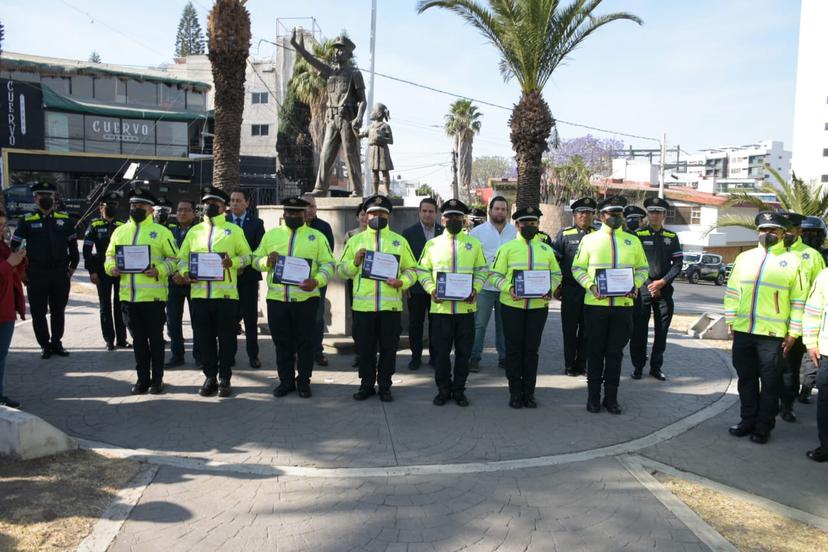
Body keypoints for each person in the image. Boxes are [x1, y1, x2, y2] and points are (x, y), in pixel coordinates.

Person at [724, 211, 806, 444]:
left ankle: (763, 426)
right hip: (743, 330)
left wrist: (794, 333)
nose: (767, 234)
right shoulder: (744, 258)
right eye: (763, 230)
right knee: (746, 379)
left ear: (782, 233)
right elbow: (732, 291)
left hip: (772, 335)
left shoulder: (793, 262)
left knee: (770, 383)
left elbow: (798, 301)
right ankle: (747, 420)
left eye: (772, 230)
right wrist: (731, 320)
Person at [572, 195, 649, 415]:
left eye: (619, 214)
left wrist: (636, 284)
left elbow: (643, 268)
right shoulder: (590, 240)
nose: (615, 217)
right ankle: (593, 398)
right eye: (611, 214)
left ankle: (612, 398)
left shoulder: (632, 241)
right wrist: (590, 286)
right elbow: (577, 268)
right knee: (595, 352)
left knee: (615, 353)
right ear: (602, 216)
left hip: (623, 306)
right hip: (596, 304)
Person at [337, 194, 418, 402]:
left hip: (389, 308)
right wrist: (354, 262)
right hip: (363, 308)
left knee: (389, 350)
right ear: (366, 215)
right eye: (373, 213)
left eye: (382, 213)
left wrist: (403, 282)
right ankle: (366, 385)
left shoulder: (399, 242)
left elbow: (412, 270)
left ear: (388, 216)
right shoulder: (355, 241)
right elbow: (342, 271)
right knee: (365, 350)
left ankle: (385, 386)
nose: (377, 216)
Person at [252, 197, 335, 398]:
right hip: (278, 300)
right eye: (290, 213)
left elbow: (329, 265)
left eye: (297, 213)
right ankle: (286, 381)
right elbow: (254, 260)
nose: (293, 216)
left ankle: (304, 381)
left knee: (305, 343)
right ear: (284, 214)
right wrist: (266, 261)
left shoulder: (316, 236)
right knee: (282, 343)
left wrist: (317, 281)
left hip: (306, 299)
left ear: (304, 214)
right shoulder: (271, 236)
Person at [177, 186, 253, 398]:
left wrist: (234, 262)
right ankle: (209, 376)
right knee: (204, 338)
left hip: (226, 297)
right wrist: (185, 272)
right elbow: (182, 259)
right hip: (200, 295)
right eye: (207, 203)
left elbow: (249, 257)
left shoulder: (234, 231)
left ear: (223, 207)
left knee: (227, 339)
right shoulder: (194, 231)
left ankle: (225, 377)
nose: (210, 207)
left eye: (215, 204)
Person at [104, 187, 179, 395]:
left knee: (155, 340)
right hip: (128, 298)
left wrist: (159, 270)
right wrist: (112, 268)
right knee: (138, 342)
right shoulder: (120, 231)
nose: (136, 208)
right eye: (134, 205)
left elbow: (176, 260)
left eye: (141, 205)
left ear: (150, 208)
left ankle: (157, 380)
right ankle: (142, 379)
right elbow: (109, 256)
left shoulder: (162, 232)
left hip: (153, 298)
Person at [489, 206, 562, 408]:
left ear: (538, 225)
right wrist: (509, 287)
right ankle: (514, 392)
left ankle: (529, 393)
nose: (529, 226)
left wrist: (550, 287)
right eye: (524, 223)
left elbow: (556, 275)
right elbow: (494, 276)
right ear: (517, 225)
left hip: (538, 308)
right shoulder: (507, 249)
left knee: (531, 350)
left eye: (533, 223)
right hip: (512, 306)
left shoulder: (546, 250)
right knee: (513, 350)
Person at [418, 199, 488, 407]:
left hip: (466, 309)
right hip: (440, 310)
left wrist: (475, 288)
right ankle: (443, 389)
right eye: (450, 216)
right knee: (440, 354)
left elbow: (482, 270)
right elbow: (422, 271)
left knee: (463, 353)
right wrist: (431, 289)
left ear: (463, 220)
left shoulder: (474, 244)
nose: (454, 220)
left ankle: (459, 390)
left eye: (458, 217)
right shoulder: (432, 245)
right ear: (443, 219)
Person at [290, 30, 366, 196]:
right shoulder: (330, 72)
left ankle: (357, 190)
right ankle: (320, 189)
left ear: (348, 53)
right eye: (335, 49)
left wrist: (359, 117)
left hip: (347, 118)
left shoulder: (355, 74)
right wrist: (298, 48)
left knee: (351, 155)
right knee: (325, 155)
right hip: (331, 119)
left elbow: (363, 101)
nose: (336, 52)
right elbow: (312, 60)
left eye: (340, 49)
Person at [11, 182, 79, 359]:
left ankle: (57, 342)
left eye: (49, 195)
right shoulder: (26, 220)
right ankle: (45, 345)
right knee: (38, 312)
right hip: (36, 274)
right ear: (35, 198)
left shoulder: (64, 220)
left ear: (55, 198)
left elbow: (73, 246)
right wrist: (22, 273)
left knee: (58, 310)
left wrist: (72, 268)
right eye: (41, 196)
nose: (46, 199)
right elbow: (15, 246)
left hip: (60, 273)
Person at [777, 212, 825, 422]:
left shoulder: (813, 257)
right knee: (768, 368)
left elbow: (819, 294)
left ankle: (787, 405)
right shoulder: (770, 252)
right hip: (768, 323)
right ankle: (767, 404)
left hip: (797, 324)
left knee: (790, 368)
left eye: (791, 229)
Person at [630, 197, 684, 381]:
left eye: (658, 212)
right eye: (652, 211)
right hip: (643, 289)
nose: (655, 215)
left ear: (663, 215)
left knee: (662, 331)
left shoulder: (671, 237)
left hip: (664, 290)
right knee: (639, 331)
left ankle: (656, 367)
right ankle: (638, 367)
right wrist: (647, 284)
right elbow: (633, 264)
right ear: (647, 214)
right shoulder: (637, 235)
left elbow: (678, 264)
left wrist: (662, 282)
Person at [469, 196, 517, 372]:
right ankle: (474, 358)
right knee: (479, 325)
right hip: (484, 288)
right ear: (490, 210)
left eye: (503, 209)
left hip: (506, 288)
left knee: (504, 326)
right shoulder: (477, 232)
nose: (500, 212)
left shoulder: (514, 232)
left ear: (507, 212)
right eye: (497, 209)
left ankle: (504, 358)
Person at [553, 197, 597, 377]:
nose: (584, 215)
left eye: (588, 212)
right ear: (574, 214)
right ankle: (569, 364)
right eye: (580, 212)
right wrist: (557, 285)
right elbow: (556, 261)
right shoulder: (564, 234)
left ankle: (582, 363)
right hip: (570, 289)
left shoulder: (597, 235)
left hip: (592, 290)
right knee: (569, 329)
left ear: (593, 215)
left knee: (588, 330)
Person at [83, 191, 129, 351]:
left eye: (114, 205)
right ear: (100, 207)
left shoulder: (122, 226)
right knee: (105, 305)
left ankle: (122, 339)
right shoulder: (94, 225)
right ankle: (109, 339)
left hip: (120, 271)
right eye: (108, 205)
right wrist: (91, 271)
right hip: (101, 270)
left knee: (120, 305)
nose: (111, 207)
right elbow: (87, 251)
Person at [402, 197, 444, 370]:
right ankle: (416, 357)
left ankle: (435, 358)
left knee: (437, 324)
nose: (427, 214)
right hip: (416, 287)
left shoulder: (443, 232)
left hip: (438, 288)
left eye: (431, 211)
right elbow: (405, 262)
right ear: (419, 212)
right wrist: (406, 286)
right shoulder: (409, 233)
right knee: (415, 324)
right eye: (424, 211)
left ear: (436, 213)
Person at [228, 189, 265, 369]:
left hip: (248, 279)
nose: (234, 203)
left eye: (238, 200)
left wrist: (244, 266)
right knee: (230, 320)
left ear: (247, 203)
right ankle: (230, 355)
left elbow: (259, 250)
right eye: (232, 200)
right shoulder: (224, 223)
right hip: (228, 279)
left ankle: (253, 355)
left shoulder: (257, 224)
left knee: (250, 320)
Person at [165, 199, 201, 368]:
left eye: (186, 210)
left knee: (197, 322)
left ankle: (199, 356)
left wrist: (185, 275)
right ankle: (177, 355)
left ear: (194, 213)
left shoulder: (200, 232)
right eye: (179, 210)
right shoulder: (168, 231)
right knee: (173, 322)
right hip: (173, 282)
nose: (181, 213)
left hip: (193, 282)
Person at [301, 193, 335, 367]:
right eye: (307, 205)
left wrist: (317, 278)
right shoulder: (291, 226)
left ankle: (317, 351)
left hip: (317, 282)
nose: (310, 209)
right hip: (295, 282)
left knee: (317, 316)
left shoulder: (324, 227)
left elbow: (328, 257)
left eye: (313, 206)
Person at [798, 216, 828, 403]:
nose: (810, 237)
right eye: (806, 233)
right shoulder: (795, 254)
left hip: (817, 313)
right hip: (798, 310)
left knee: (812, 358)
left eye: (814, 234)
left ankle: (806, 389)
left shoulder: (824, 256)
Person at [0, 210, 27, 408]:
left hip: (6, 308)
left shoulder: (2, 246)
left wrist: (20, 259)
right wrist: (9, 263)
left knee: (1, 355)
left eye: (3, 225)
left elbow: (14, 272)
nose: (3, 230)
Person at [802, 266, 828, 461]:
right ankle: (826, 446)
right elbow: (813, 311)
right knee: (826, 401)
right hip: (827, 352)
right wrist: (811, 342)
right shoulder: (825, 275)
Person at [345, 201, 368, 368]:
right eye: (362, 214)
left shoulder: (380, 236)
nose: (365, 218)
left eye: (368, 214)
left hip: (376, 285)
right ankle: (359, 353)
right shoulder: (351, 236)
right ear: (357, 217)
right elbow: (344, 262)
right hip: (355, 281)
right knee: (357, 320)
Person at [359, 103, 394, 196]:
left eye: (373, 111)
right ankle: (375, 192)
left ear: (379, 114)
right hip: (373, 151)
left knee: (385, 171)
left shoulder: (385, 126)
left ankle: (387, 192)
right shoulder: (370, 127)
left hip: (383, 151)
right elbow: (361, 135)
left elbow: (391, 140)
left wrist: (381, 138)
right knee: (374, 172)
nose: (371, 112)